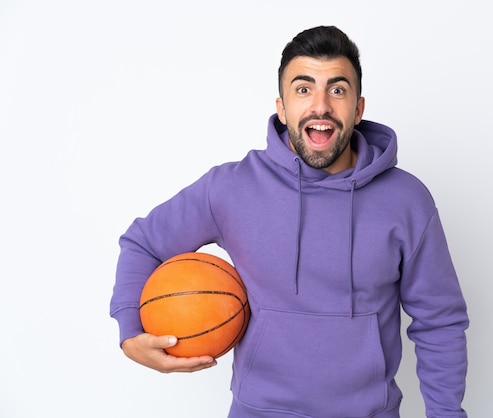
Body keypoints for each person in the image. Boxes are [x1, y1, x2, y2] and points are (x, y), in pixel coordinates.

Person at [110, 25, 469, 417]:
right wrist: (131, 330)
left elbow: (440, 322)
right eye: (303, 89)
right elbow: (143, 242)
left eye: (337, 89)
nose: (320, 106)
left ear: (358, 108)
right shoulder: (232, 188)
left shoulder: (407, 201)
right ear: (282, 107)